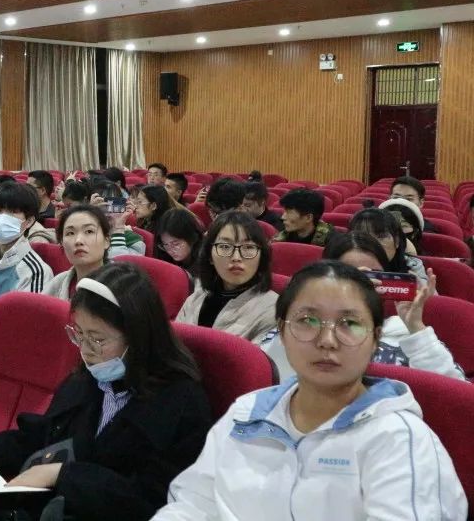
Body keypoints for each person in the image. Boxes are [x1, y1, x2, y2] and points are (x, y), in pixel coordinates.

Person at [156, 261, 467, 520]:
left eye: (349, 323)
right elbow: (192, 505)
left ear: (375, 339)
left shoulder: (399, 439)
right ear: (281, 331)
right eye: (307, 320)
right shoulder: (246, 413)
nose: (327, 340)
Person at [0, 263, 210, 521]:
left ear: (138, 337)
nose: (86, 350)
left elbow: (155, 498)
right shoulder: (87, 378)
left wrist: (64, 475)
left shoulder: (181, 403)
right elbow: (41, 435)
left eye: (98, 339)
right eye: (79, 334)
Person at [260, 232, 463, 381]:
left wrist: (415, 327)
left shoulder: (407, 331)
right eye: (349, 275)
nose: (361, 285)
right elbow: (269, 374)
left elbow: (455, 398)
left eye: (372, 275)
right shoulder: (299, 325)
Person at [175, 211, 276, 344]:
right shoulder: (196, 297)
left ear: (261, 256)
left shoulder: (273, 311)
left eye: (248, 247)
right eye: (225, 246)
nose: (236, 257)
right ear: (210, 256)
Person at [0, 182, 52, 316]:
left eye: (13, 212)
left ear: (29, 221)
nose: (3, 218)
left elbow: (26, 321)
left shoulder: (36, 271)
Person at [43, 205, 110, 300]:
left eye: (89, 231)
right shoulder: (56, 284)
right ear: (61, 243)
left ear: (106, 241)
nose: (78, 241)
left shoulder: (125, 287)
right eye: (70, 233)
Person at [349, 208, 429, 285]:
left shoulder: (412, 265)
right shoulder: (344, 262)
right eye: (364, 237)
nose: (373, 243)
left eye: (381, 236)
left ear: (396, 241)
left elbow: (426, 290)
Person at [155, 208, 204, 273]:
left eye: (176, 244)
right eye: (165, 244)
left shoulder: (204, 262)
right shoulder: (164, 254)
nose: (170, 250)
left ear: (192, 238)